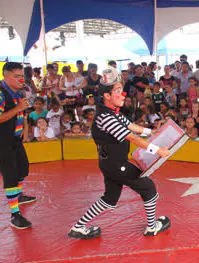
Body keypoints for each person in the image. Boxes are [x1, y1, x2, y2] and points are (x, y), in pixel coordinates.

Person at [68, 69, 171, 239]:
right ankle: (152, 227)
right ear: (107, 96)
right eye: (117, 91)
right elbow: (131, 136)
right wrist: (158, 150)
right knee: (149, 188)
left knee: (109, 199)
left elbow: (131, 126)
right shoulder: (105, 117)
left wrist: (150, 131)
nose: (123, 94)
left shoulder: (111, 112)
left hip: (110, 164)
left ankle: (79, 227)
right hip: (117, 165)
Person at [0, 62, 37, 229]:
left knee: (23, 169)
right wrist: (18, 108)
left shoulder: (18, 93)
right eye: (17, 76)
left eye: (22, 75)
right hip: (1, 141)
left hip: (15, 139)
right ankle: (15, 215)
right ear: (5, 77)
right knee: (10, 176)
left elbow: (22, 112)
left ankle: (19, 196)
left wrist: (25, 129)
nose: (21, 79)